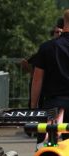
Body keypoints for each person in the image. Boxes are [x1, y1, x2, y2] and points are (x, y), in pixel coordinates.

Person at [31, 9, 69, 140]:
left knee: (47, 141)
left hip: (53, 104)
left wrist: (33, 106)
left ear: (64, 23)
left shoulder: (47, 47)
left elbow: (37, 80)